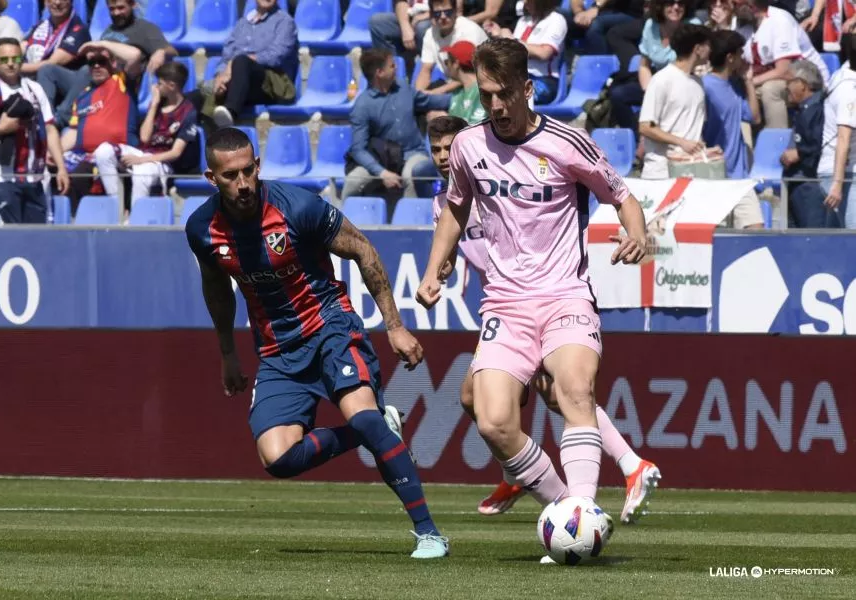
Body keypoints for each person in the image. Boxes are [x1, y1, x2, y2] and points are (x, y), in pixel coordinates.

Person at [416, 38, 648, 563]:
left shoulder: (568, 143)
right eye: (485, 95)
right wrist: (436, 269)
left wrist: (637, 234)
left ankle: (582, 513)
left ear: (527, 89)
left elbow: (622, 195)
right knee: (493, 419)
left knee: (575, 390)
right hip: (505, 305)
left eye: (503, 95)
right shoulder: (469, 147)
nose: (494, 106)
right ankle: (571, 513)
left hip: (565, 293)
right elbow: (454, 209)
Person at [185, 127, 449, 560]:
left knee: (363, 418)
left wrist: (395, 326)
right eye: (231, 176)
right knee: (278, 458)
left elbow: (363, 249)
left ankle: (429, 534)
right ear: (212, 179)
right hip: (276, 351)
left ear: (258, 165)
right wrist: (228, 353)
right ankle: (379, 426)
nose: (244, 183)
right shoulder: (202, 229)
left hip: (330, 329)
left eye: (249, 170)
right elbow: (215, 288)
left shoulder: (297, 207)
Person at [0, 38, 69, 223]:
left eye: (15, 59)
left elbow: (49, 128)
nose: (10, 64)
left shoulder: (35, 89)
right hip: (1, 176)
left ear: (22, 60)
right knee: (10, 236)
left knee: (36, 237)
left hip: (34, 176)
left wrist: (62, 167)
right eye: (4, 59)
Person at [38, 0, 176, 128]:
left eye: (121, 8)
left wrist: (160, 51)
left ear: (132, 5)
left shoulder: (144, 28)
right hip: (94, 80)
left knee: (87, 70)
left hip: (117, 86)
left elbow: (173, 50)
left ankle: (60, 119)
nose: (116, 13)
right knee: (48, 70)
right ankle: (45, 117)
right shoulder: (110, 30)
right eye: (112, 9)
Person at [343, 49, 448, 207]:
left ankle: (409, 225)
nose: (396, 68)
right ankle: (341, 225)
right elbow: (358, 149)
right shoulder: (362, 106)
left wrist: (465, 95)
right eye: (392, 66)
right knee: (353, 181)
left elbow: (429, 101)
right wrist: (381, 172)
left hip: (413, 153)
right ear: (379, 72)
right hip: (382, 160)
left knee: (411, 175)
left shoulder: (403, 88)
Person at [95, 60, 198, 209]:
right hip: (143, 153)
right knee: (103, 151)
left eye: (160, 83)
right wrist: (154, 106)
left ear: (172, 86)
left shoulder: (188, 112)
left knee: (142, 171)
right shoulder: (157, 104)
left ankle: (137, 217)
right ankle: (116, 208)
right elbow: (144, 138)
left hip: (162, 162)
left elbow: (175, 153)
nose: (156, 87)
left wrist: (142, 160)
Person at [59, 43, 141, 212]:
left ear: (113, 63)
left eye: (102, 61)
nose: (96, 66)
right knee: (57, 171)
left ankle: (116, 214)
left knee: (80, 174)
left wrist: (99, 44)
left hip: (119, 153)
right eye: (92, 62)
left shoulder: (121, 81)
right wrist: (54, 153)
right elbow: (74, 132)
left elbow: (135, 55)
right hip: (86, 155)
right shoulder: (83, 95)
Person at [702, 29, 764, 228]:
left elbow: (754, 117)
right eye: (740, 53)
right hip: (713, 179)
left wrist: (748, 81)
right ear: (730, 58)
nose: (743, 59)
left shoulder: (735, 86)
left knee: (757, 232)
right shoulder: (704, 87)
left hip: (740, 178)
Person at [202, 0, 298, 128]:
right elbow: (226, 56)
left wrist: (236, 62)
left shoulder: (285, 22)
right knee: (200, 94)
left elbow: (276, 56)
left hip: (270, 83)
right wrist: (221, 76)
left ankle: (231, 112)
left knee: (241, 61)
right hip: (238, 79)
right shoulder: (242, 23)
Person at [608, 0, 700, 132]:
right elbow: (644, 66)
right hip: (657, 82)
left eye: (680, 3)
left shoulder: (693, 27)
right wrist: (650, 92)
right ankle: (637, 135)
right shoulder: (651, 26)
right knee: (618, 95)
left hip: (683, 86)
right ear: (661, 5)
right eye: (670, 3)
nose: (676, 7)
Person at [639, 24, 711, 179]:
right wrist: (682, 142)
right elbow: (646, 126)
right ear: (698, 49)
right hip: (661, 173)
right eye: (707, 46)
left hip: (692, 171)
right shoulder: (661, 80)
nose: (710, 51)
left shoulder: (698, 82)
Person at [745, 0, 829, 128]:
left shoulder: (779, 19)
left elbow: (784, 70)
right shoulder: (742, 25)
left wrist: (749, 82)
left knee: (770, 89)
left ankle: (777, 140)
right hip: (773, 77)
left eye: (735, 3)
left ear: (751, 5)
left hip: (807, 78)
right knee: (734, 91)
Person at [484, 0, 567, 105]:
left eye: (528, 1)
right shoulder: (523, 21)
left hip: (543, 81)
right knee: (485, 91)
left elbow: (544, 53)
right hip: (517, 78)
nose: (524, 4)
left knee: (507, 96)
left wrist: (512, 41)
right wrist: (499, 37)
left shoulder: (556, 20)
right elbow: (512, 53)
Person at [781, 59, 827, 227]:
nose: (786, 87)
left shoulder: (818, 109)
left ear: (802, 84)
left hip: (810, 186)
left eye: (789, 82)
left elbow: (822, 143)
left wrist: (799, 152)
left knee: (811, 240)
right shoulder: (805, 109)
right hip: (797, 184)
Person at [818, 36, 856, 228]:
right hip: (843, 175)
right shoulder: (850, 89)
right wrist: (837, 184)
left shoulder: (843, 73)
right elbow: (844, 137)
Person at [416, 0, 488, 94]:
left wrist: (436, 92)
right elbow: (425, 70)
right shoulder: (430, 34)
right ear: (431, 15)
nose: (443, 17)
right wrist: (418, 94)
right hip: (453, 83)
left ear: (455, 12)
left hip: (480, 85)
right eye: (437, 14)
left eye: (448, 12)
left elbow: (471, 75)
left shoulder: (469, 31)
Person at [21, 0, 91, 78]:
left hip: (61, 84)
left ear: (71, 2)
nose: (57, 2)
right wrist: (13, 60)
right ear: (45, 2)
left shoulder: (79, 29)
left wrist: (15, 67)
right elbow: (19, 50)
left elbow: (51, 64)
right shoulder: (41, 26)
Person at [441, 41, 487, 123]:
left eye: (447, 62)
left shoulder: (483, 90)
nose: (446, 66)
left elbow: (476, 126)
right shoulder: (458, 91)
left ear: (456, 64)